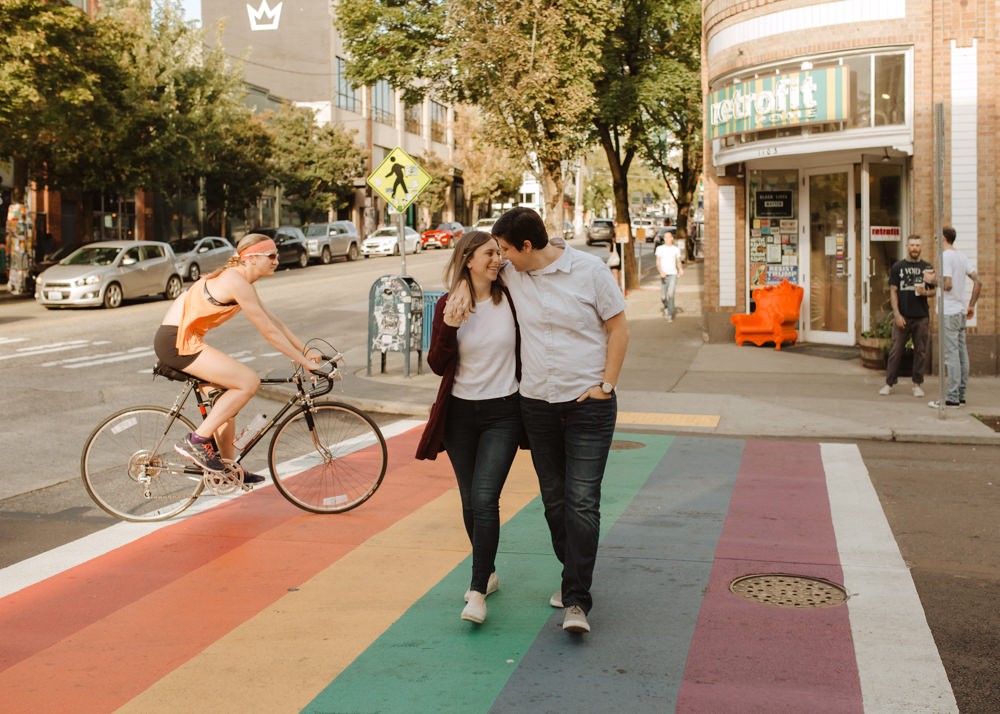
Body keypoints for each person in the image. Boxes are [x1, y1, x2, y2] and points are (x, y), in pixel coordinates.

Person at [448, 207, 628, 634]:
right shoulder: (512, 274)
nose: (501, 259)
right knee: (554, 502)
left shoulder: (590, 271)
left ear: (527, 246)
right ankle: (573, 576)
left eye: (507, 249)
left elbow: (619, 329)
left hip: (588, 403)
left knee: (582, 501)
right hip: (537, 406)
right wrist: (456, 291)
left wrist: (607, 385)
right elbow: (472, 273)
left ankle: (576, 599)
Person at [416, 231, 525, 624]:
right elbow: (437, 364)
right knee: (469, 501)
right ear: (468, 260)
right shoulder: (449, 303)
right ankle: (489, 572)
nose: (498, 259)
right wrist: (447, 325)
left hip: (504, 413)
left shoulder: (510, 298)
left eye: (499, 252)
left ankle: (476, 589)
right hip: (460, 416)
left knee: (484, 498)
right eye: (490, 254)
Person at [155, 233, 319, 479]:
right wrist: (303, 362)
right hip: (176, 343)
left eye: (277, 255)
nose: (276, 260)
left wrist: (305, 351)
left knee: (224, 403)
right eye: (271, 256)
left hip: (182, 340)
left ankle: (228, 469)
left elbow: (275, 322)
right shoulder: (235, 281)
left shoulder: (243, 282)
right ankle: (197, 440)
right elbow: (269, 333)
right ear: (251, 259)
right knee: (248, 381)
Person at [929, 226, 982, 409]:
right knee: (961, 353)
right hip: (960, 311)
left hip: (949, 312)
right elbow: (978, 281)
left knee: (951, 355)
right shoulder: (961, 256)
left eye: (937, 239)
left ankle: (951, 398)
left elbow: (948, 285)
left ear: (943, 238)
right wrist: (971, 305)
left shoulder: (946, 256)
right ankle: (960, 395)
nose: (936, 242)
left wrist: (931, 280)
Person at [879, 234, 935, 398]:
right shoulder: (898, 267)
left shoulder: (927, 267)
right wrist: (897, 315)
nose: (915, 248)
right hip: (903, 316)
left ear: (921, 247)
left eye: (917, 245)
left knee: (920, 351)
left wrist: (925, 292)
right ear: (907, 247)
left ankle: (917, 384)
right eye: (912, 245)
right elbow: (893, 291)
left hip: (921, 316)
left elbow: (934, 290)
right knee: (896, 350)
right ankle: (889, 383)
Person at [655, 229, 684, 320]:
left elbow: (678, 261)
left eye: (669, 237)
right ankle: (667, 306)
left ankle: (670, 314)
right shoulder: (660, 249)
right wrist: (661, 271)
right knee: (663, 297)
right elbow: (657, 262)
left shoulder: (675, 249)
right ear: (664, 239)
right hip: (664, 275)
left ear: (672, 238)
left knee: (671, 294)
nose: (667, 239)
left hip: (673, 274)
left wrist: (680, 269)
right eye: (665, 237)